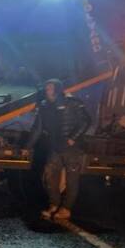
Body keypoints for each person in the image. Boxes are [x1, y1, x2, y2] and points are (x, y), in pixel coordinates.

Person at [26, 79, 92, 220]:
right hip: (54, 146)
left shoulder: (73, 103)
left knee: (71, 179)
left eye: (50, 88)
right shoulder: (44, 106)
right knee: (50, 176)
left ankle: (66, 209)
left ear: (58, 89)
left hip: (71, 148)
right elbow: (38, 128)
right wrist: (27, 146)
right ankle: (54, 205)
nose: (47, 90)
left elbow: (86, 121)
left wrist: (72, 138)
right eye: (46, 88)